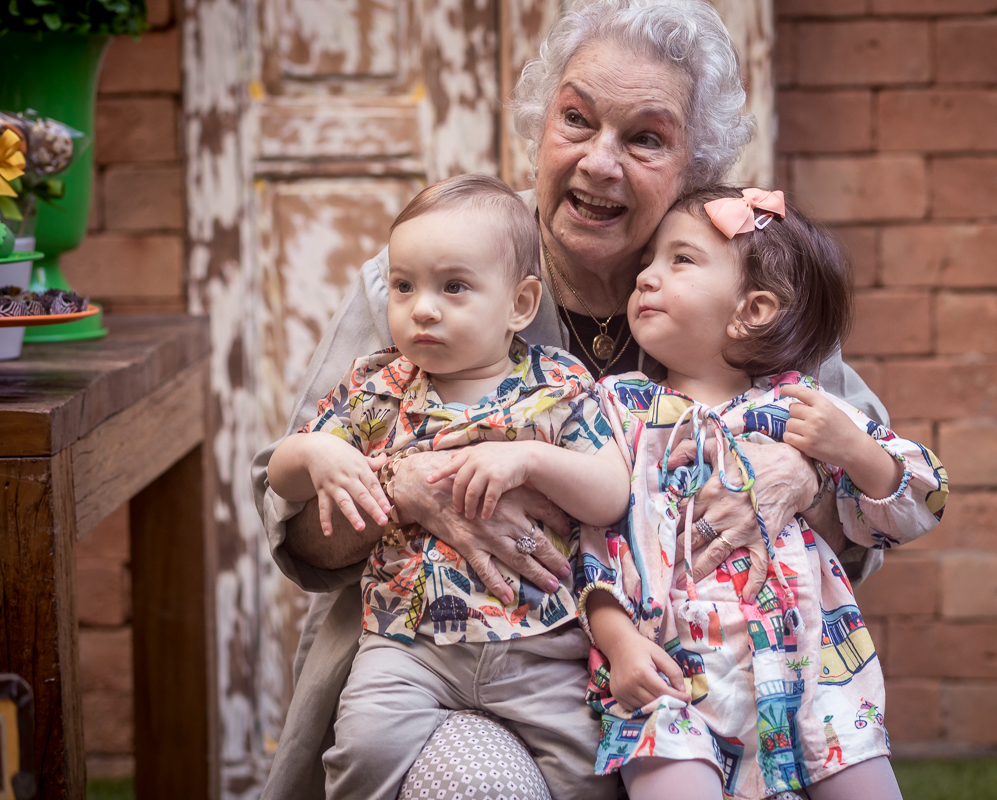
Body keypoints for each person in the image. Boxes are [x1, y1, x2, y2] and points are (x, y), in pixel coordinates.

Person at [251, 2, 889, 797]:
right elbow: (289, 512)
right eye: (577, 120)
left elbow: (875, 479)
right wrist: (402, 488)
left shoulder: (753, 282)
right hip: (451, 672)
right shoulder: (429, 281)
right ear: (540, 124)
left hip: (703, 686)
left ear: (698, 164)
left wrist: (800, 476)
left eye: (646, 138)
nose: (599, 162)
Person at [266, 173, 633, 800]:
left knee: (592, 777)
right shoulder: (379, 388)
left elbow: (611, 493)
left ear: (520, 305)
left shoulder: (558, 387)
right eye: (404, 287)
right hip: (407, 646)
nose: (423, 308)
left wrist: (531, 461)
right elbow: (280, 472)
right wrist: (317, 454)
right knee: (361, 748)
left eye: (453, 287)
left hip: (541, 648)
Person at [578, 186, 949, 799]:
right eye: (648, 261)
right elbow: (591, 542)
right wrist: (618, 645)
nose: (645, 276)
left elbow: (922, 502)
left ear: (751, 310)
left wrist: (850, 450)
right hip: (671, 677)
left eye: (680, 260)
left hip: (814, 672)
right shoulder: (619, 412)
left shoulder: (804, 407)